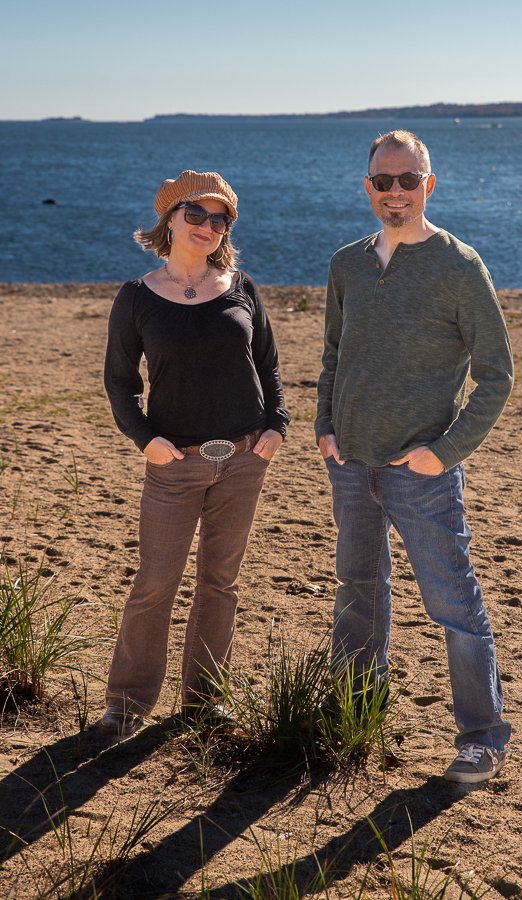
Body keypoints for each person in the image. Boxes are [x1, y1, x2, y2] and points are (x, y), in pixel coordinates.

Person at [315, 131, 513, 784]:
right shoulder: (347, 264)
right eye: (383, 181)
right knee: (357, 598)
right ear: (366, 187)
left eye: (408, 179)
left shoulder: (460, 268)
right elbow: (335, 355)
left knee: (453, 605)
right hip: (350, 466)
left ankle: (482, 739)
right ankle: (355, 720)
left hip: (420, 475)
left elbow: (497, 376)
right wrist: (326, 428)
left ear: (430, 183)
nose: (394, 192)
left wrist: (444, 452)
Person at [102, 170, 289, 735]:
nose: (208, 226)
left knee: (220, 583)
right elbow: (118, 381)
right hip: (175, 463)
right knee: (155, 582)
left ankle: (206, 701)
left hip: (243, 458)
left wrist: (276, 425)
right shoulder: (137, 297)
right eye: (196, 214)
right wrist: (146, 440)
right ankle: (128, 702)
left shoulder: (241, 287)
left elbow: (269, 365)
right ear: (169, 219)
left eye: (220, 218)